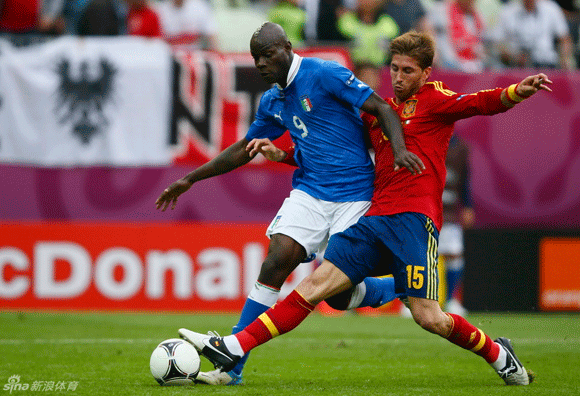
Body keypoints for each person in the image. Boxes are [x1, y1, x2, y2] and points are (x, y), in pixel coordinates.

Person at [178, 31, 551, 386]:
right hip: (373, 219)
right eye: (395, 69)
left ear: (425, 73)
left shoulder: (436, 101)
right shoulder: (379, 113)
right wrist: (287, 154)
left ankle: (500, 356)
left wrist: (519, 90)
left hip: (414, 221)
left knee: (429, 317)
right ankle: (233, 346)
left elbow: (481, 102)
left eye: (408, 71)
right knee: (315, 286)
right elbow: (334, 150)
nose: (399, 77)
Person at [155, 22, 424, 385]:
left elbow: (381, 108)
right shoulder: (272, 100)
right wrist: (190, 178)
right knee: (277, 259)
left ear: (287, 47)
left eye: (268, 54)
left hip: (355, 194)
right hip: (311, 192)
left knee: (339, 298)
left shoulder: (325, 74)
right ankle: (232, 366)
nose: (262, 63)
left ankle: (400, 286)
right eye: (256, 58)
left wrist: (400, 150)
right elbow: (243, 149)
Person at [439, 135, 474, 317]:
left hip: (450, 212)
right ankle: (410, 301)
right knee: (419, 256)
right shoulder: (423, 136)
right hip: (425, 208)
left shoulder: (460, 147)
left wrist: (468, 206)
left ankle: (451, 300)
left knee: (454, 254)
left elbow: (465, 181)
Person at [492, 0, 575, 69]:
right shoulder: (508, 11)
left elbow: (564, 38)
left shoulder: (551, 8)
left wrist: (565, 58)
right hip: (515, 65)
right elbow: (497, 42)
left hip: (546, 63)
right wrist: (511, 56)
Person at [154, 0, 219, 49]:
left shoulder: (200, 7)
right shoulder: (160, 9)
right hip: (169, 55)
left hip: (195, 56)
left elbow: (211, 36)